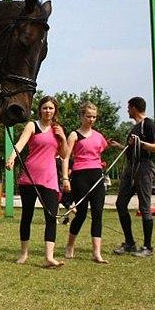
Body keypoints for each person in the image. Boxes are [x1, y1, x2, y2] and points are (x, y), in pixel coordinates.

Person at [6, 95, 68, 268]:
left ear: (55, 111)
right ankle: (24, 253)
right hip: (30, 178)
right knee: (27, 216)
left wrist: (62, 139)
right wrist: (12, 157)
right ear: (40, 109)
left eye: (51, 108)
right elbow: (20, 144)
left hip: (49, 179)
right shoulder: (32, 125)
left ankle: (49, 257)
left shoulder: (58, 129)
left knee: (51, 217)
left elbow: (64, 155)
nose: (48, 111)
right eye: (45, 107)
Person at [61, 102, 117, 264]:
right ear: (81, 116)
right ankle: (70, 246)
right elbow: (65, 157)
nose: (91, 119)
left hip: (97, 176)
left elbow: (101, 149)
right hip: (80, 176)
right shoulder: (74, 135)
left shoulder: (99, 137)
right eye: (88, 116)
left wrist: (117, 145)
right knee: (82, 214)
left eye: (94, 117)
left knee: (98, 213)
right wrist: (65, 177)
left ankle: (96, 252)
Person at [112, 97, 155, 258]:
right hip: (131, 168)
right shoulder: (135, 127)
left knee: (144, 207)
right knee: (121, 204)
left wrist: (141, 143)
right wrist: (120, 146)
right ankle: (129, 243)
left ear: (134, 108)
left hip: (144, 168)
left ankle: (147, 247)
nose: (127, 111)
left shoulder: (148, 124)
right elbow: (133, 149)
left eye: (128, 108)